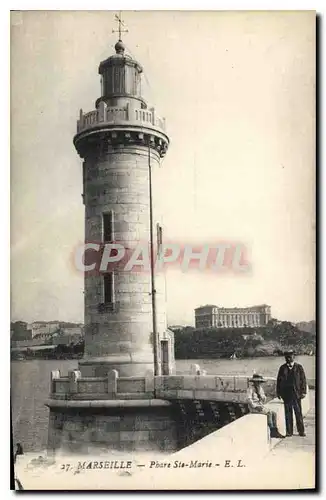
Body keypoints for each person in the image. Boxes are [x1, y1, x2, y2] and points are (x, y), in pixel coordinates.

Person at [276, 349, 307, 437]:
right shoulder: (282, 368)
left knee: (298, 413)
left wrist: (303, 391)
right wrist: (278, 392)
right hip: (286, 395)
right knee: (288, 413)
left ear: (294, 357)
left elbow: (303, 380)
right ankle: (289, 432)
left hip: (297, 394)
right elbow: (279, 380)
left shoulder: (299, 367)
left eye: (290, 356)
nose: (288, 358)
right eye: (286, 357)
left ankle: (301, 431)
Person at [247, 373, 284, 438]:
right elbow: (249, 399)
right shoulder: (250, 389)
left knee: (274, 413)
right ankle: (272, 431)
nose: (258, 383)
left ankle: (275, 430)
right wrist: (255, 406)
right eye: (257, 382)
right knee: (269, 413)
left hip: (260, 405)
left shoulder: (260, 388)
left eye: (259, 382)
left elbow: (263, 397)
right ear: (254, 382)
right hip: (254, 407)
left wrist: (263, 398)